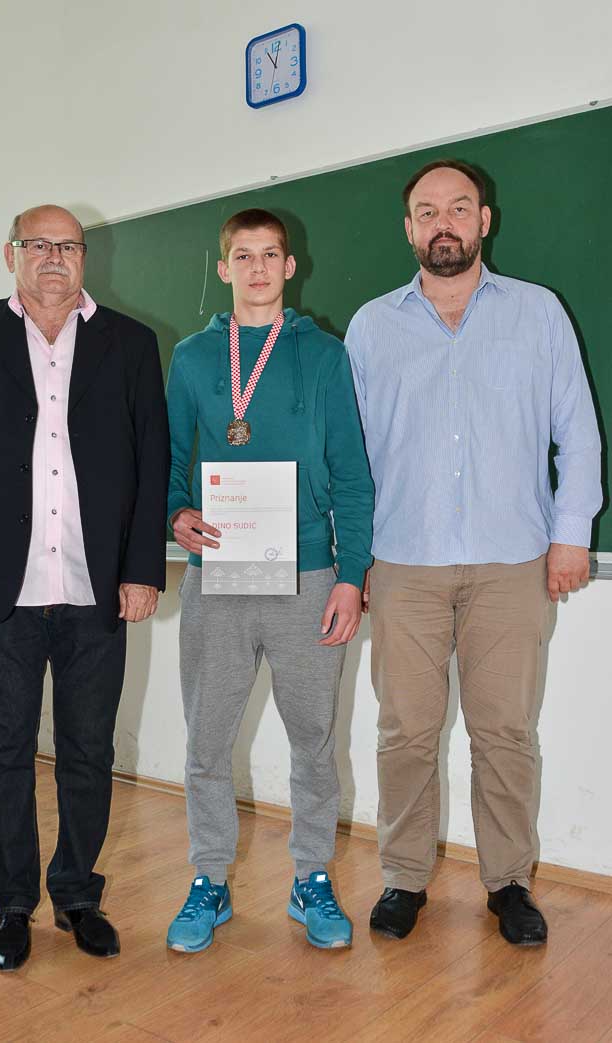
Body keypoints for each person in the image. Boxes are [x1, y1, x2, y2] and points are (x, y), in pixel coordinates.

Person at [346, 160, 602, 946]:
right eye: (427, 211)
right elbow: (349, 454)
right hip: (403, 561)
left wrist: (572, 532)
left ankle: (509, 882)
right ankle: (403, 877)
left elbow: (577, 430)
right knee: (405, 731)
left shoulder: (538, 312)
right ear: (409, 229)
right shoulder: (370, 327)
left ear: (484, 220)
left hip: (512, 561)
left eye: (459, 208)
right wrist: (352, 559)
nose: (444, 223)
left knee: (505, 732)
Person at [0, 205, 169, 971]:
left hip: (96, 588)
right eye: (38, 244)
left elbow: (152, 460)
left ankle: (78, 894)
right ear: (12, 255)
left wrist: (142, 569)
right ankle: (11, 902)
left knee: (89, 749)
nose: (53, 257)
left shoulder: (130, 342)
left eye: (68, 245)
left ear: (84, 257)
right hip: (2, 588)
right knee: (2, 752)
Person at [165, 208, 374, 952]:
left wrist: (352, 575)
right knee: (206, 740)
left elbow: (352, 474)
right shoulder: (192, 357)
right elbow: (167, 460)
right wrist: (175, 512)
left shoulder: (324, 355)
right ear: (224, 268)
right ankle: (209, 879)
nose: (257, 268)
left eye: (271, 255)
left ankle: (311, 876)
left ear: (290, 266)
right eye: (243, 256)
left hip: (309, 573)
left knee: (313, 740)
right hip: (217, 572)